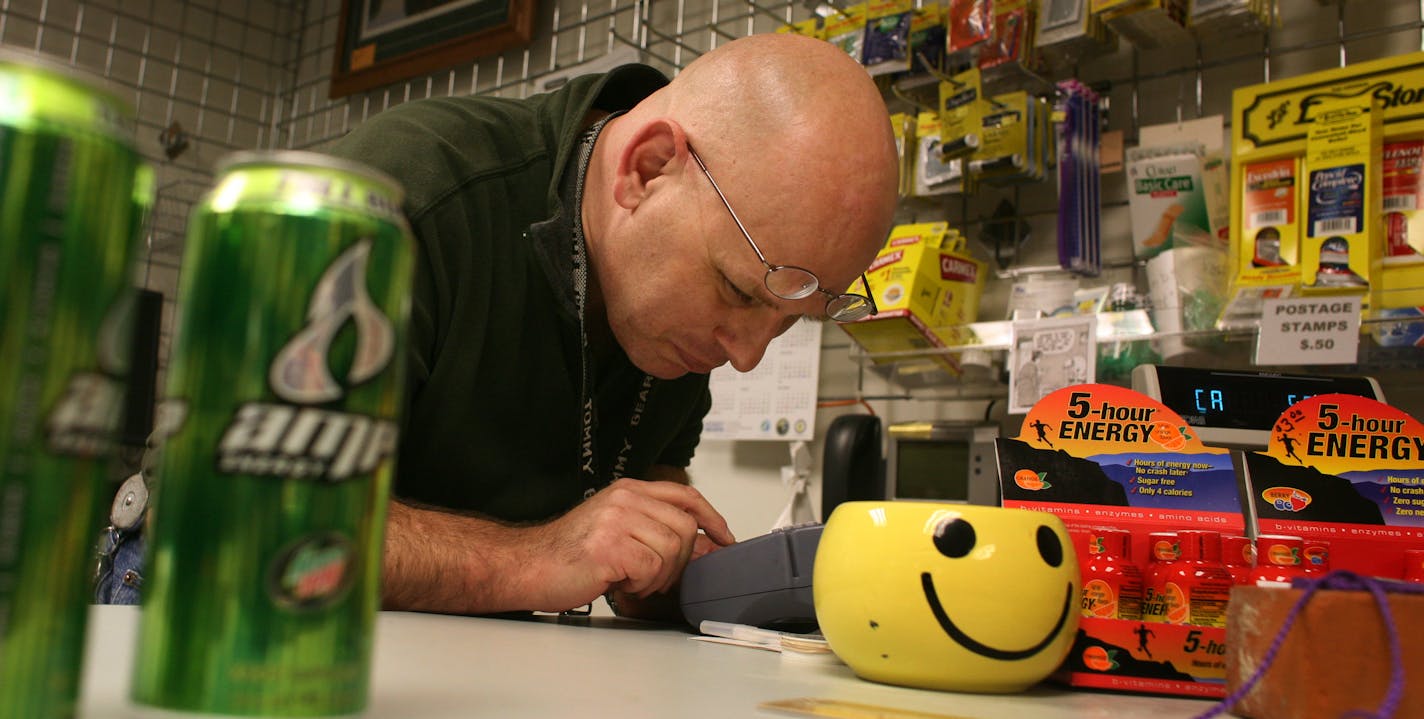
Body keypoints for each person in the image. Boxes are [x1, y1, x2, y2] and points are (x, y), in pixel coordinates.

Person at [322, 33, 900, 619]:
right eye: (735, 289)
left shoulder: (678, 318)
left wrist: (677, 572)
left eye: (786, 324)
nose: (747, 355)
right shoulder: (401, 194)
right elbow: (250, 508)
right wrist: (532, 559)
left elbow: (649, 491)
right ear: (646, 169)